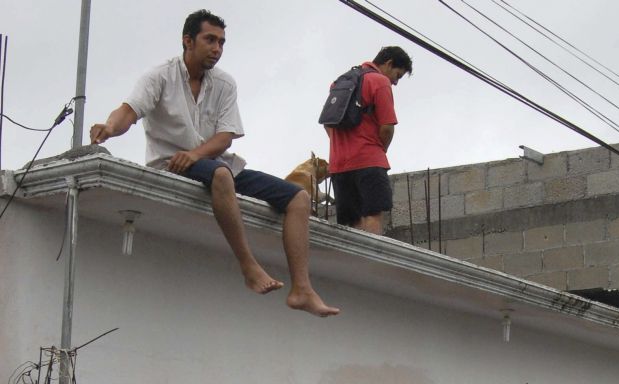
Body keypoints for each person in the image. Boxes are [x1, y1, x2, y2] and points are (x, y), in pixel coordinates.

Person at [90, 10, 339, 318]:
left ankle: (302, 289)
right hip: (171, 164)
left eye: (222, 42)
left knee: (298, 197)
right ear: (187, 41)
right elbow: (128, 111)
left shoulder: (224, 83)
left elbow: (225, 138)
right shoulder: (159, 77)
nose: (217, 48)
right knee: (221, 175)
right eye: (210, 40)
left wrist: (196, 155)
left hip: (212, 162)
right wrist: (109, 128)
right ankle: (249, 267)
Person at [326, 47, 412, 234]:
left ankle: (353, 262)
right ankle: (371, 263)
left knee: (351, 223)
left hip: (339, 166)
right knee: (372, 214)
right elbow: (387, 127)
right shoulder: (379, 82)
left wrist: (342, 146)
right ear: (388, 63)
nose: (395, 82)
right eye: (397, 75)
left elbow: (327, 123)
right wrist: (378, 150)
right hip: (369, 161)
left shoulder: (340, 82)